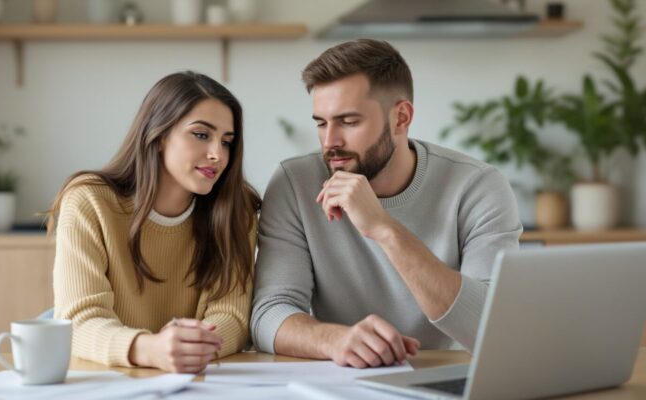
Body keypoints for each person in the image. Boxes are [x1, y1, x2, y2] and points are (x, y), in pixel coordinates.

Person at [250, 39, 522, 369]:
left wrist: (383, 228)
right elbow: (268, 314)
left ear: (401, 118)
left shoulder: (478, 187)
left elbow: (489, 328)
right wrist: (336, 340)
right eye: (321, 123)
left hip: (445, 375)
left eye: (349, 122)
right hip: (341, 377)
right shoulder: (295, 183)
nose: (330, 141)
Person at [48, 71, 260, 373]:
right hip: (106, 376)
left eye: (227, 142)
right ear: (159, 135)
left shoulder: (237, 210)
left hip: (194, 379)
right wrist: (151, 349)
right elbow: (79, 322)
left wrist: (190, 346)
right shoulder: (89, 202)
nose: (218, 155)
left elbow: (232, 317)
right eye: (201, 135)